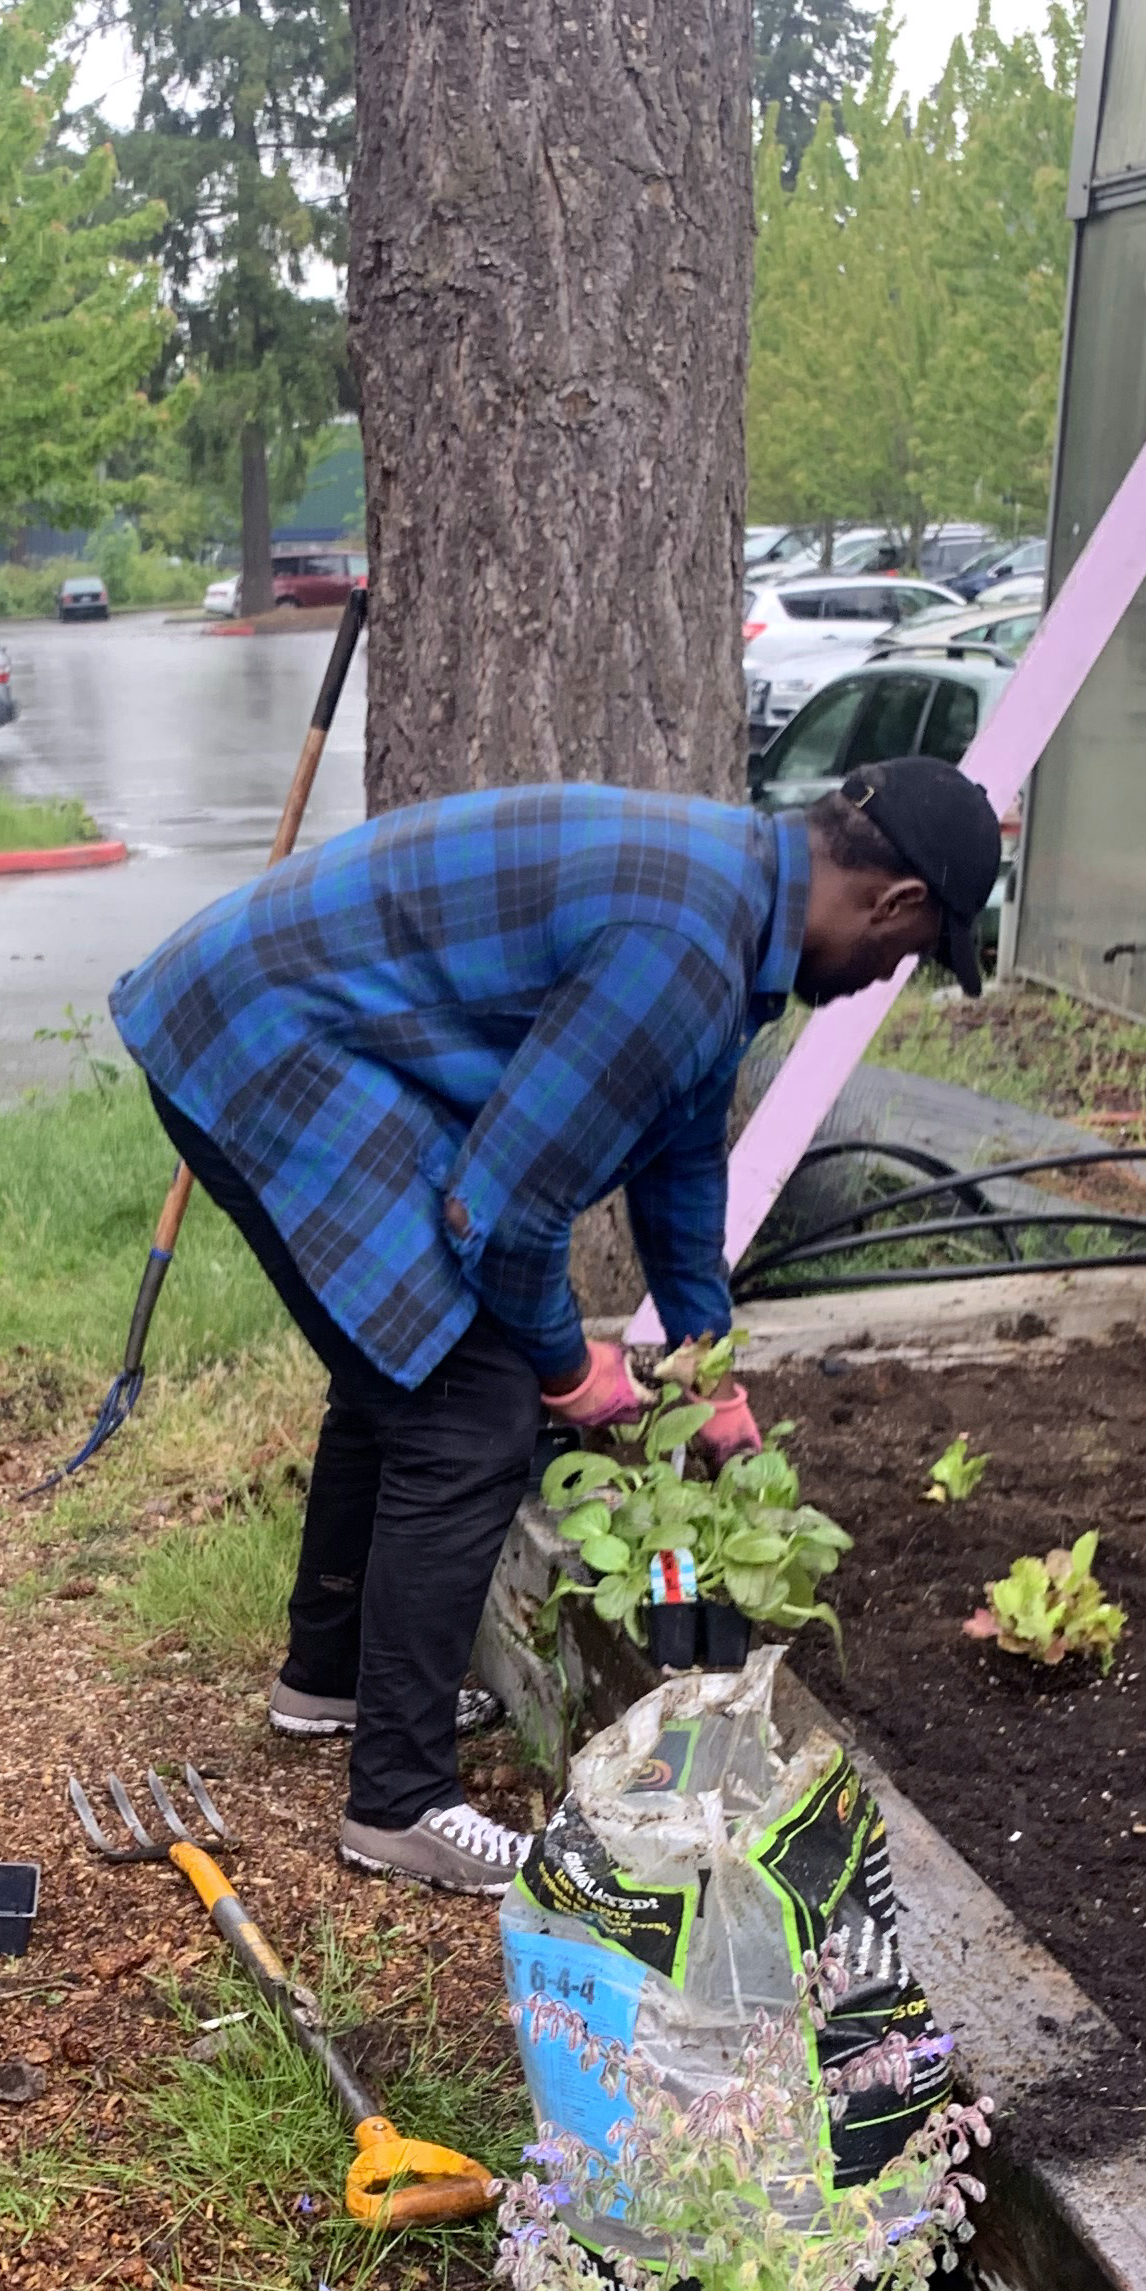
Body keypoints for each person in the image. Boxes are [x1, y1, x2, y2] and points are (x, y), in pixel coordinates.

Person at [109, 756, 1003, 1894]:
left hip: (253, 1012)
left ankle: (330, 1680)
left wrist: (706, 1367)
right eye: (912, 956)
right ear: (896, 904)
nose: (890, 974)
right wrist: (563, 1371)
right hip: (261, 1038)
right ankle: (400, 1803)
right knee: (468, 1407)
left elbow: (681, 1155)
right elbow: (502, 1207)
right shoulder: (687, 949)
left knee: (408, 1363)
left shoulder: (730, 901)